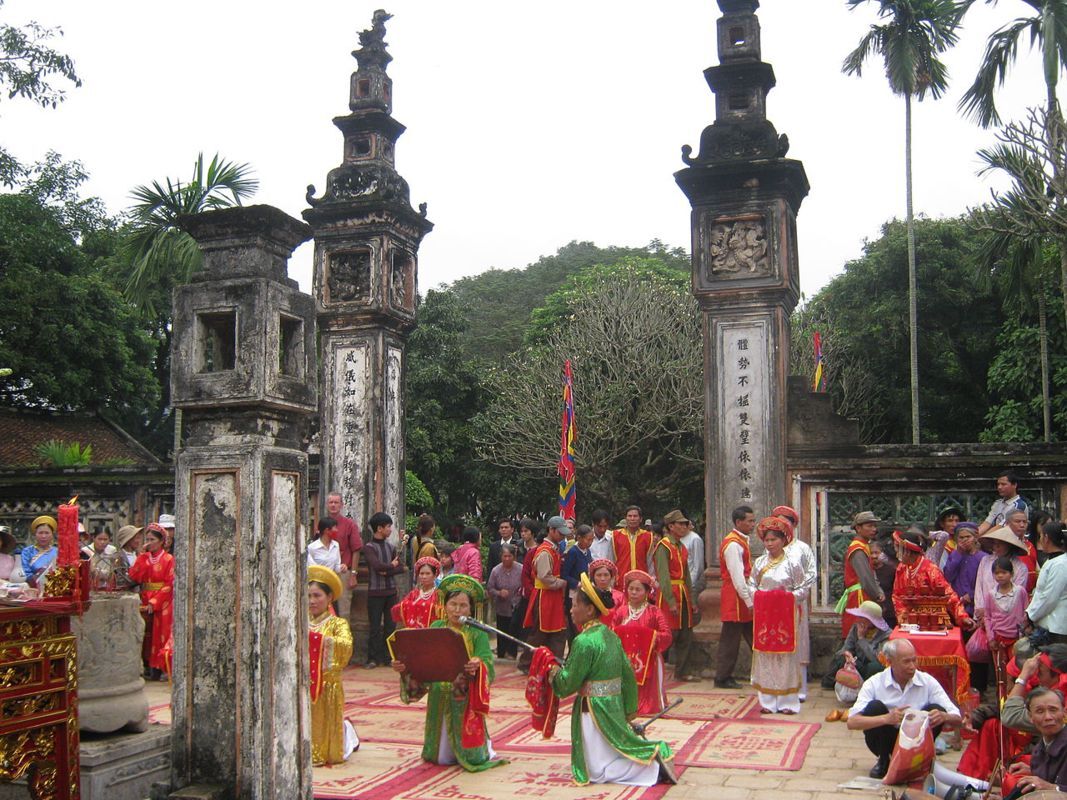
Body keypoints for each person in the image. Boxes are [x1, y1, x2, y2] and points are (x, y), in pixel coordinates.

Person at [549, 573, 674, 786]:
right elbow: (627, 675)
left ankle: (650, 766)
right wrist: (628, 710)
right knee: (610, 752)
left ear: (589, 610)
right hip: (613, 706)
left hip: (593, 710)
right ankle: (647, 761)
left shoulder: (584, 641)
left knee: (596, 771)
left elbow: (567, 683)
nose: (571, 610)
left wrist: (552, 671)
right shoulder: (610, 635)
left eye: (575, 605)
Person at [391, 574, 505, 772]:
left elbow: (487, 663)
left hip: (464, 697)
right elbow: (423, 660)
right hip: (438, 694)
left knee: (469, 753)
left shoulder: (477, 633)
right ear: (444, 605)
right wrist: (405, 667)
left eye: (463, 605)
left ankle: (472, 750)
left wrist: (478, 665)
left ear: (471, 609)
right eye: (453, 604)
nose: (457, 610)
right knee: (440, 758)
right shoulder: (436, 627)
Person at [847, 639, 962, 779]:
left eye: (914, 660)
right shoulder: (875, 683)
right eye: (906, 662)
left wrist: (944, 716)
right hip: (885, 739)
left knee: (936, 709)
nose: (912, 666)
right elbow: (852, 722)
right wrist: (886, 719)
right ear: (890, 662)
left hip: (916, 743)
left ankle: (918, 762)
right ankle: (884, 761)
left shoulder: (927, 682)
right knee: (874, 707)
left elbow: (957, 717)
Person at [748, 516, 806, 714]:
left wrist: (785, 597)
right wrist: (763, 596)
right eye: (766, 540)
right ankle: (767, 702)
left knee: (786, 656)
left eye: (774, 539)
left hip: (787, 616)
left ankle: (788, 702)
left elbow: (803, 589)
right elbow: (751, 586)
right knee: (765, 656)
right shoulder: (759, 563)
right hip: (765, 616)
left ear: (784, 540)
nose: (770, 543)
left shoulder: (793, 563)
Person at [307, 565, 358, 765]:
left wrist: (318, 640)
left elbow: (346, 647)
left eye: (317, 596)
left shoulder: (338, 624)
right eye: (309, 596)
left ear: (329, 598)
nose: (312, 601)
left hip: (327, 685)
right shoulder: (301, 621)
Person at [609, 569, 672, 715]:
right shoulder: (621, 612)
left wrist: (649, 637)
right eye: (631, 589)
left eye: (638, 589)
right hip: (624, 658)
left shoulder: (654, 612)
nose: (634, 592)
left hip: (649, 659)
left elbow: (666, 635)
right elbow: (611, 632)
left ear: (647, 592)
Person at [892, 530, 975, 630]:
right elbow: (897, 596)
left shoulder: (930, 569)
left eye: (897, 548)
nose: (895, 551)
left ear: (907, 551)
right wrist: (903, 618)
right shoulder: (902, 568)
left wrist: (962, 616)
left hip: (932, 620)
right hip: (909, 622)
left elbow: (949, 595)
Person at [775, 504, 816, 701]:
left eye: (787, 521)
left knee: (798, 645)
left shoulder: (802, 548)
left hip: (795, 602)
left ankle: (800, 688)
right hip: (774, 604)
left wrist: (796, 594)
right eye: (779, 520)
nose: (783, 524)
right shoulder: (772, 546)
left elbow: (811, 575)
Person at [653, 510, 697, 681]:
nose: (684, 527)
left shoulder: (681, 547)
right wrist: (670, 601)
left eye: (685, 524)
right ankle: (655, 669)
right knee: (668, 633)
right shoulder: (663, 547)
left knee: (686, 632)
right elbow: (663, 576)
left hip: (683, 593)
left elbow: (687, 576)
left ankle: (683, 671)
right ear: (671, 526)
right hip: (669, 594)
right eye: (681, 524)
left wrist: (691, 599)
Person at [128, 524, 175, 680]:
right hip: (145, 598)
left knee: (161, 633)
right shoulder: (144, 558)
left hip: (163, 602)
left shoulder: (169, 559)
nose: (149, 543)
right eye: (147, 539)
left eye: (152, 539)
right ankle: (148, 666)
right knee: (145, 635)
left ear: (161, 541)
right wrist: (141, 557)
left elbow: (169, 584)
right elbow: (135, 577)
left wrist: (155, 601)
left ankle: (162, 668)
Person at [822, 601, 891, 704]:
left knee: (874, 666)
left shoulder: (885, 635)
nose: (858, 620)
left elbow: (876, 657)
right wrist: (847, 654)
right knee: (840, 658)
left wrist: (861, 638)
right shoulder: (856, 627)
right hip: (857, 662)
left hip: (871, 667)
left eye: (862, 617)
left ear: (871, 621)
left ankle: (868, 692)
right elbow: (847, 646)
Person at [717, 505, 755, 689]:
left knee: (753, 635)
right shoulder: (733, 544)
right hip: (736, 596)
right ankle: (722, 676)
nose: (753, 524)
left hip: (739, 594)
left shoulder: (739, 541)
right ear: (738, 522)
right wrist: (748, 601)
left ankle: (762, 672)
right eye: (750, 521)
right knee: (730, 638)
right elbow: (737, 576)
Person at [523, 516, 569, 662]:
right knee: (540, 632)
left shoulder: (552, 549)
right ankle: (527, 661)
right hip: (545, 596)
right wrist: (561, 583)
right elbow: (544, 577)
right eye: (560, 533)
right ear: (551, 530)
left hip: (551, 596)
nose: (562, 536)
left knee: (557, 630)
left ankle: (554, 660)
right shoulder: (545, 551)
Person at [363, 512, 405, 669]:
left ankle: (388, 657)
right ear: (379, 528)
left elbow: (401, 567)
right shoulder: (368, 547)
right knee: (374, 627)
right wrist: (391, 567)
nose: (390, 529)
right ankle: (372, 657)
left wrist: (387, 570)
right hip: (375, 592)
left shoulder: (391, 547)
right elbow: (376, 566)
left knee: (390, 626)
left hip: (390, 591)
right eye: (388, 527)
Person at [1005, 687, 1067, 794]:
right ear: (1030, 717)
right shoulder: (1039, 749)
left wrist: (1053, 788)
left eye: (1053, 710)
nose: (1048, 717)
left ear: (1064, 713)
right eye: (1040, 711)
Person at [839, 511, 886, 637]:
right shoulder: (858, 549)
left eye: (874, 526)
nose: (874, 529)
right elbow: (865, 577)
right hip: (860, 596)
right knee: (860, 632)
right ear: (858, 528)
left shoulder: (864, 546)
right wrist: (877, 594)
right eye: (869, 526)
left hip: (862, 594)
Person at [975, 526, 1029, 623]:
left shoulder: (1020, 567)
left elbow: (1016, 594)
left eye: (1000, 544)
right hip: (983, 615)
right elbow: (979, 587)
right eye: (995, 544)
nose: (996, 547)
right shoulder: (986, 561)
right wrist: (980, 609)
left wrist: (993, 612)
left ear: (1009, 545)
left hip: (1008, 616)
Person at [1025, 521, 1067, 645]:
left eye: (1041, 536)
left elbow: (1050, 597)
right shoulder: (1053, 561)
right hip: (1048, 623)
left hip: (1057, 626)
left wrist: (1031, 615)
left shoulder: (1060, 564)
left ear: (1046, 538)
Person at [325, 491, 363, 624]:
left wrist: (353, 574)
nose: (333, 505)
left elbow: (356, 549)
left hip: (343, 571)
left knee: (343, 609)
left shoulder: (349, 524)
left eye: (336, 502)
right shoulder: (322, 524)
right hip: (326, 572)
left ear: (342, 505)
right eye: (331, 502)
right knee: (324, 608)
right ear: (327, 505)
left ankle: (344, 642)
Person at [486, 545, 522, 658]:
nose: (507, 559)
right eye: (504, 556)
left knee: (514, 630)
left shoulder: (521, 569)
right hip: (501, 607)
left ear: (514, 557)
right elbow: (490, 588)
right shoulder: (496, 571)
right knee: (502, 632)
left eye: (509, 556)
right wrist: (499, 593)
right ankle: (501, 654)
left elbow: (526, 585)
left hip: (516, 606)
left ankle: (512, 654)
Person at [943, 522, 983, 619]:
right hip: (955, 605)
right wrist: (958, 554)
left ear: (975, 538)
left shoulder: (983, 558)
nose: (964, 540)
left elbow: (986, 584)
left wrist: (971, 595)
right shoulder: (954, 555)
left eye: (968, 537)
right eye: (961, 538)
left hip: (974, 607)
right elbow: (947, 576)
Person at [562, 524, 594, 636]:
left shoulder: (587, 551)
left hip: (585, 591)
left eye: (592, 540)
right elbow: (564, 574)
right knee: (574, 625)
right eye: (588, 539)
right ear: (579, 538)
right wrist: (577, 583)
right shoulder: (573, 552)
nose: (590, 542)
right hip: (573, 593)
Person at [611, 506, 654, 589]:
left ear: (640, 519)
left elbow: (650, 562)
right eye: (629, 516)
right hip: (621, 581)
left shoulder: (647, 536)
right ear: (625, 518)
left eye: (635, 516)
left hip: (642, 582)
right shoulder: (615, 536)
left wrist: (651, 580)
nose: (632, 518)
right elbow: (611, 560)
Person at [394, 557, 444, 629]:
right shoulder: (414, 594)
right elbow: (398, 608)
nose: (424, 576)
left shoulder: (439, 595)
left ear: (435, 575)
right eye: (421, 573)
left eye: (428, 574)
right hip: (413, 633)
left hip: (432, 633)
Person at [977, 470, 1029, 536]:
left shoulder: (1019, 506)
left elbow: (1002, 526)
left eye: (1003, 484)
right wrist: (974, 536)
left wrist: (984, 538)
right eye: (998, 484)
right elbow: (987, 523)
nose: (999, 487)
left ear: (1014, 485)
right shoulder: (997, 503)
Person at [1006, 509, 1040, 594]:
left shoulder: (1030, 545)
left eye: (1024, 522)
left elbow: (1036, 570)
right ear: (1007, 524)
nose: (1022, 525)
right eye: (1017, 521)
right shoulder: (1003, 546)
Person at [21, 515, 57, 586]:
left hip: (54, 587)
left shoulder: (57, 552)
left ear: (52, 535)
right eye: (40, 533)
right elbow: (25, 573)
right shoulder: (27, 552)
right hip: (32, 587)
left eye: (47, 533)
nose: (43, 536)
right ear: (35, 534)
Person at [589, 559, 626, 624]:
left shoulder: (620, 596)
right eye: (599, 575)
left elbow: (623, 617)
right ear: (593, 577)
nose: (602, 579)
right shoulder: (588, 594)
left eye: (606, 575)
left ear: (611, 577)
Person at [678, 519, 705, 594]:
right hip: (679, 584)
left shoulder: (695, 539)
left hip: (691, 585)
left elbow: (698, 566)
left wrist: (690, 584)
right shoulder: (679, 538)